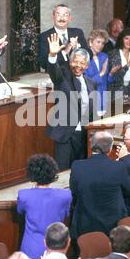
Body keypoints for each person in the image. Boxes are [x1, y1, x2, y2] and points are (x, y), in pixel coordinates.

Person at [70, 131, 130, 242]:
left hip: (85, 226)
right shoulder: (118, 167)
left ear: (91, 145)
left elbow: (74, 192)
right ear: (110, 149)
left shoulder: (77, 166)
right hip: (113, 226)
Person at [46, 33, 97, 170]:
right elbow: (53, 71)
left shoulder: (91, 84)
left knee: (81, 170)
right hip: (65, 134)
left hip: (84, 136)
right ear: (70, 61)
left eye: (82, 63)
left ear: (87, 66)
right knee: (63, 172)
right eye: (75, 61)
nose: (78, 66)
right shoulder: (63, 77)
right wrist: (52, 55)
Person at [17, 154, 72, 259]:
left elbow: (20, 211)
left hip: (30, 248)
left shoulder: (24, 195)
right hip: (56, 247)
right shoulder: (65, 195)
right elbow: (66, 213)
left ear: (32, 173)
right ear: (53, 173)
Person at [38, 4, 89, 70]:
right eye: (58, 14)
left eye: (65, 15)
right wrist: (64, 52)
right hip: (56, 78)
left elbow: (89, 54)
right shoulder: (44, 36)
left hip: (77, 76)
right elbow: (43, 64)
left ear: (70, 18)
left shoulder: (78, 32)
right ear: (53, 17)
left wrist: (77, 48)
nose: (62, 18)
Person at [107, 28, 130, 99]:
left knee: (129, 110)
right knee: (117, 110)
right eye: (126, 38)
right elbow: (116, 77)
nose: (129, 41)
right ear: (121, 39)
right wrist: (129, 64)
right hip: (115, 92)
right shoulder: (113, 54)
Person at [85, 29, 114, 114]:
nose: (101, 45)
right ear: (90, 42)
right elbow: (87, 83)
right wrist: (101, 73)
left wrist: (111, 73)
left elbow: (107, 81)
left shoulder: (104, 56)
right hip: (91, 101)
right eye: (98, 42)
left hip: (104, 101)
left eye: (103, 43)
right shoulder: (84, 58)